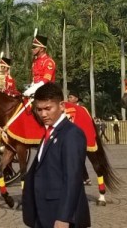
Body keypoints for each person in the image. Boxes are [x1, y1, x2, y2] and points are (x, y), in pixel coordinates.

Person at [22, 82, 90, 228]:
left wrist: (64, 217)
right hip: (43, 214)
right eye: (39, 109)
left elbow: (73, 178)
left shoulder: (71, 134)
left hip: (59, 216)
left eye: (48, 108)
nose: (43, 114)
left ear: (61, 106)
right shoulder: (49, 132)